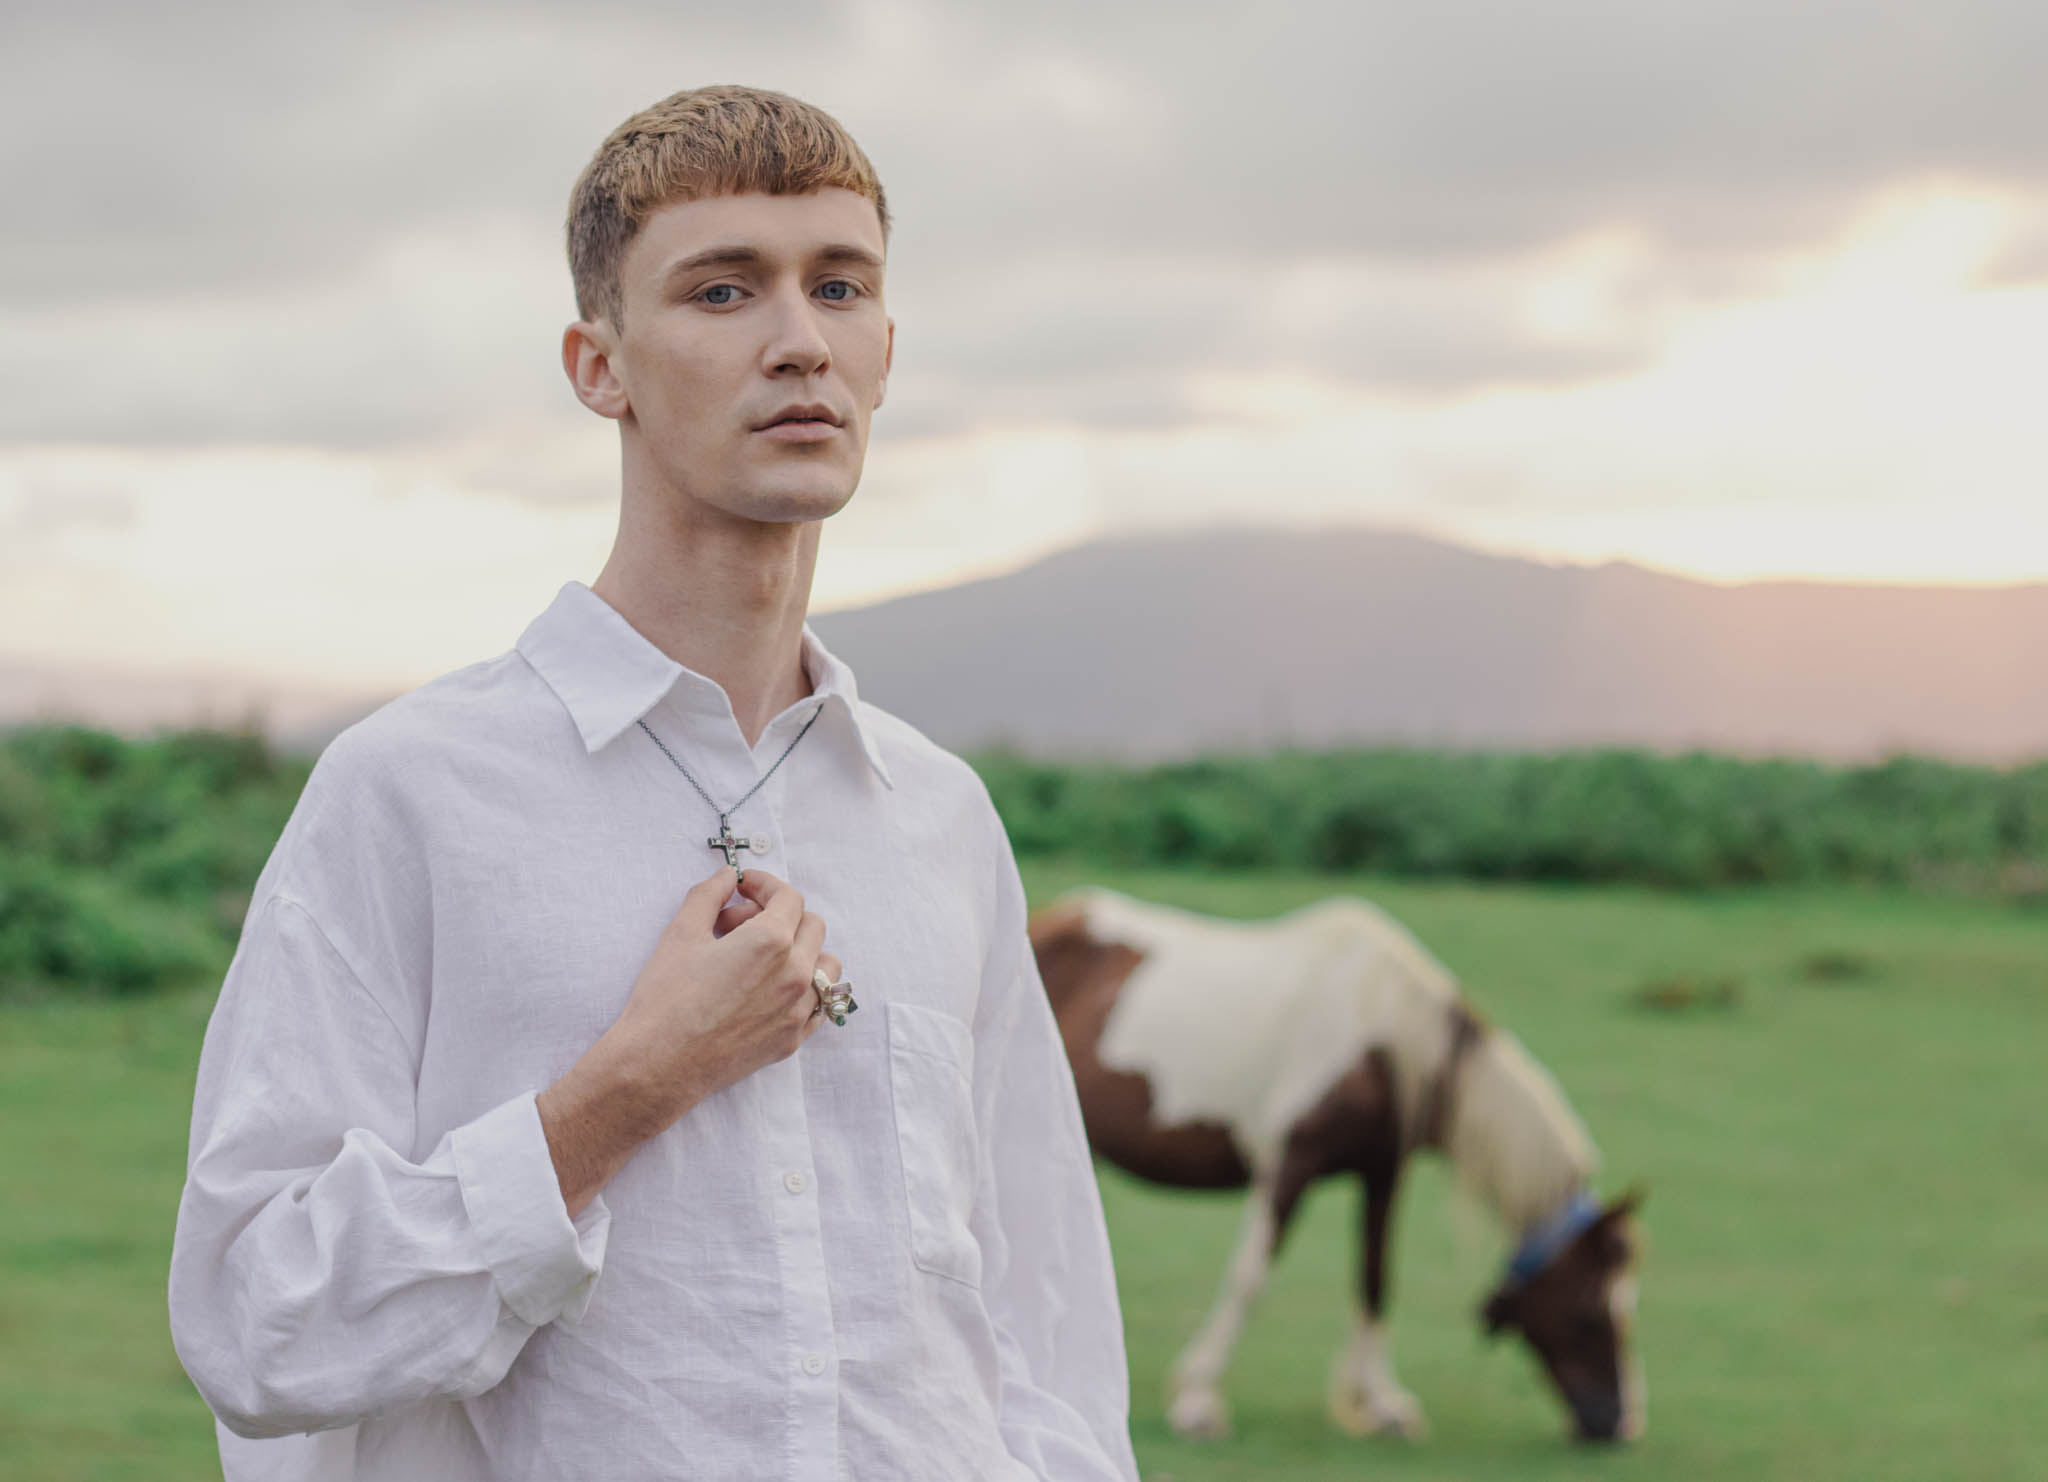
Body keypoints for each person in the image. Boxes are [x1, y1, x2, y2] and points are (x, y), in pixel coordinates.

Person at [168, 84, 1139, 1482]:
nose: (799, 340)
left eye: (840, 285)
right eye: (722, 290)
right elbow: (255, 1318)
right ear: (598, 365)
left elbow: (1048, 1344)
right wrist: (629, 1087)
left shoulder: (939, 816)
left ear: (885, 351)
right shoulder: (409, 794)